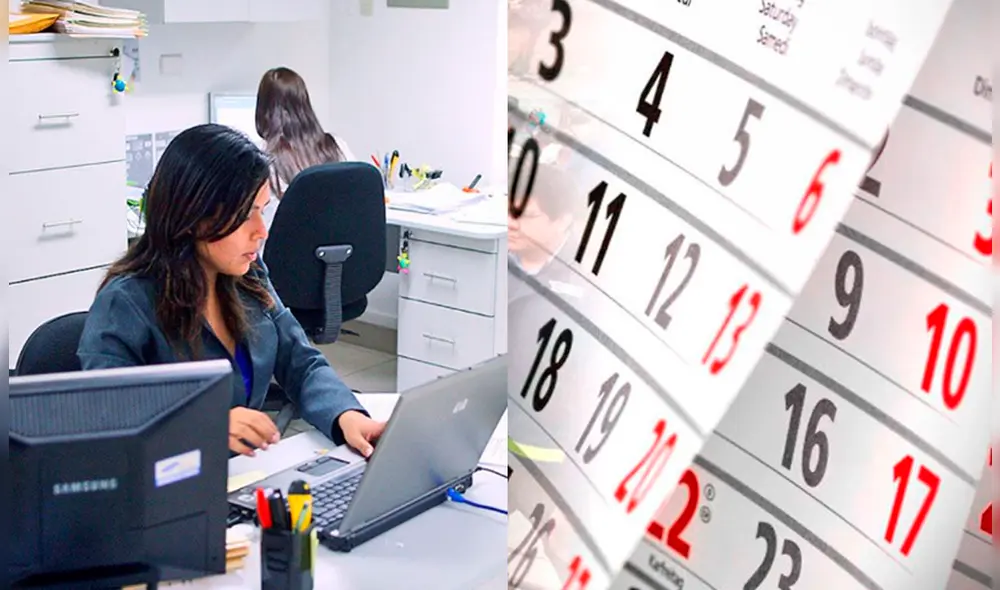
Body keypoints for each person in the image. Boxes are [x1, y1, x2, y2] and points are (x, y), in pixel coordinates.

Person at [77, 123, 384, 459]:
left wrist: (346, 415)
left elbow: (299, 361)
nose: (261, 231)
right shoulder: (126, 302)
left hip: (239, 475)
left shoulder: (248, 275)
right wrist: (203, 421)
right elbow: (105, 412)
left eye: (262, 211)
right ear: (194, 214)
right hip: (167, 481)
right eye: (246, 215)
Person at [254, 66, 357, 230]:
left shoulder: (260, 156)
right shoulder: (337, 146)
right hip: (337, 243)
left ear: (263, 110)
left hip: (282, 245)